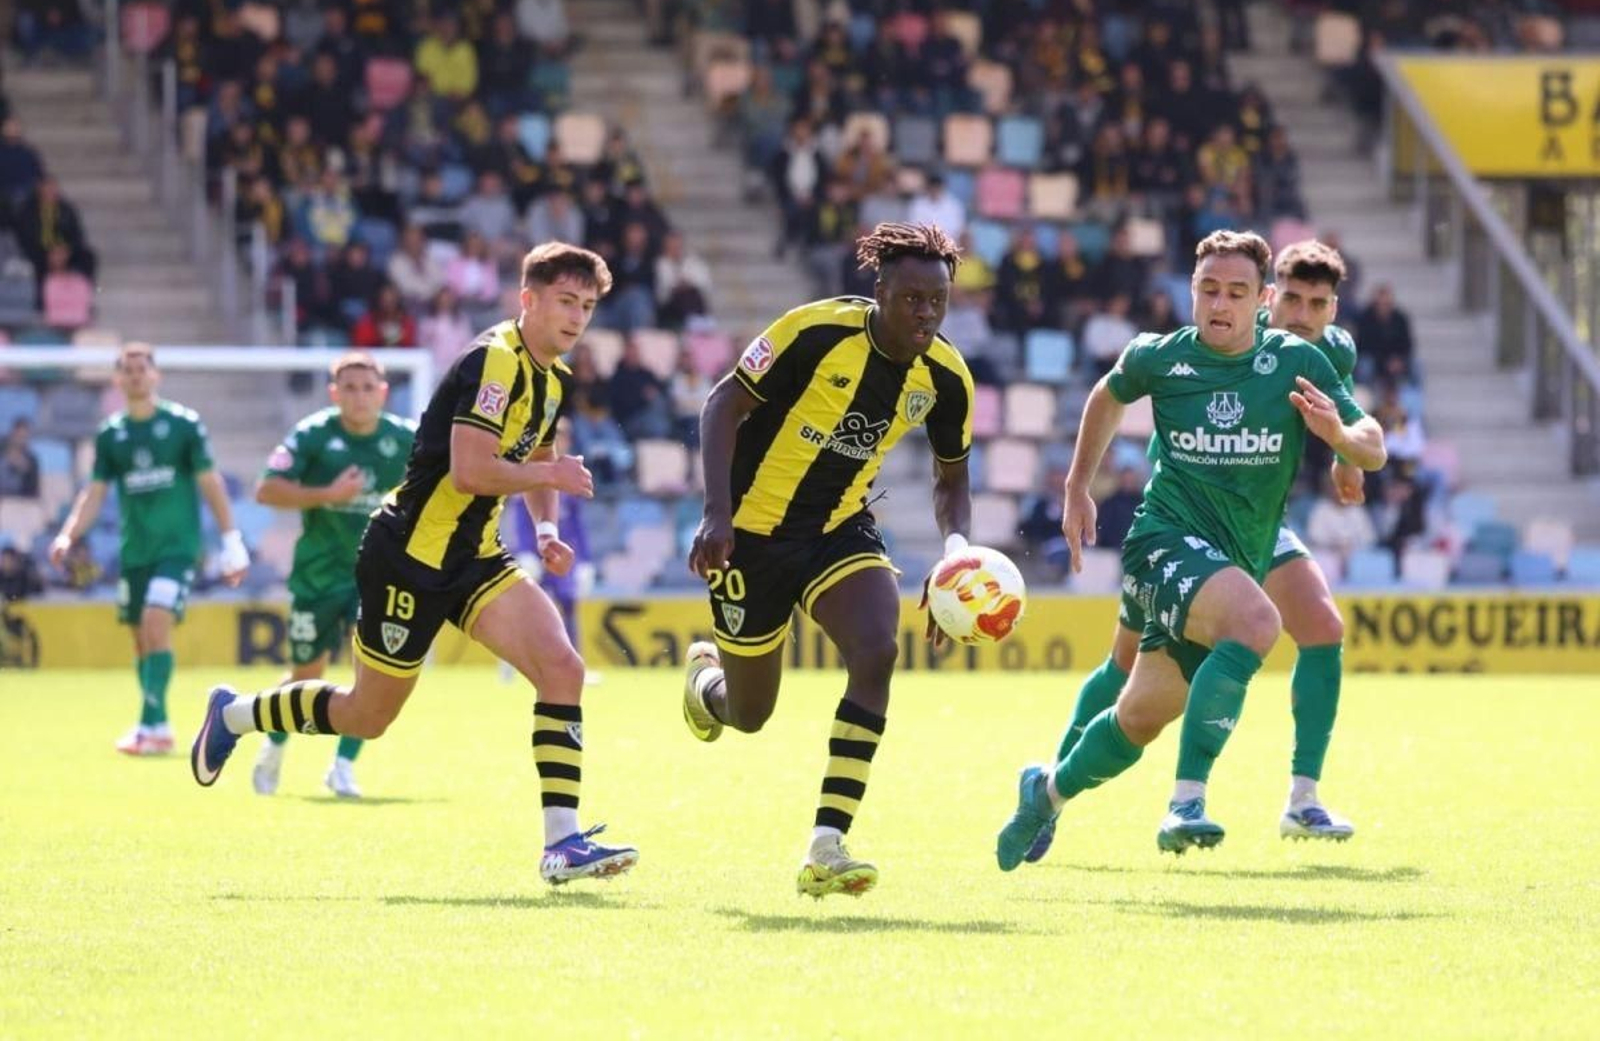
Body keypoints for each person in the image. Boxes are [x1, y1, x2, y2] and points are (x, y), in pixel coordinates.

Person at [190, 243, 637, 886]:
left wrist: (544, 525)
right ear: (528, 299)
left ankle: (562, 842)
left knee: (563, 667)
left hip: (477, 557)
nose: (576, 317)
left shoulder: (555, 378)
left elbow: (536, 450)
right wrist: (551, 474)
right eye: (565, 301)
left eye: (588, 306)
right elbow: (471, 469)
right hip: (408, 558)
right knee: (365, 716)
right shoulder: (495, 361)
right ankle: (235, 714)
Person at [995, 230, 1386, 869]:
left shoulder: (1304, 362)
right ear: (1192, 293)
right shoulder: (1160, 357)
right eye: (1208, 290)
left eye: (1235, 292)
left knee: (1139, 719)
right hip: (1165, 540)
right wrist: (1076, 489)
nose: (1219, 304)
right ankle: (1187, 802)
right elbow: (1107, 394)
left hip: (1244, 543)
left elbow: (1372, 443)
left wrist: (1340, 437)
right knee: (1258, 621)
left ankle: (1048, 789)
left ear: (1258, 301)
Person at [682, 223, 975, 898]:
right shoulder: (815, 332)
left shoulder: (947, 377)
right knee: (750, 714)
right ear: (881, 292)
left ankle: (827, 842)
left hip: (838, 530)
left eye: (938, 301)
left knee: (877, 649)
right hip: (748, 538)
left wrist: (956, 549)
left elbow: (952, 476)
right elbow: (723, 401)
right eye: (911, 299)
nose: (925, 314)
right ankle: (707, 686)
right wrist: (716, 512)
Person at [49, 343, 251, 755]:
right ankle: (158, 726)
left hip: (177, 549)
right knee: (142, 638)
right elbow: (95, 491)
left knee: (156, 622)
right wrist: (68, 534)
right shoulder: (112, 434)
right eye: (128, 369)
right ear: (118, 380)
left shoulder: (183, 425)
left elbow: (209, 482)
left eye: (143, 368)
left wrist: (232, 540)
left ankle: (151, 725)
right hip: (135, 552)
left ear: (156, 376)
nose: (136, 375)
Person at [250, 352, 417, 800]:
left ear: (382, 392)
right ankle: (274, 742)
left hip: (377, 577)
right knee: (308, 670)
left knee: (373, 677)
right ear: (334, 393)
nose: (359, 397)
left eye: (368, 388)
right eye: (350, 388)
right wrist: (329, 493)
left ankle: (342, 766)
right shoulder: (312, 435)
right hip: (318, 575)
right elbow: (266, 489)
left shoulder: (406, 439)